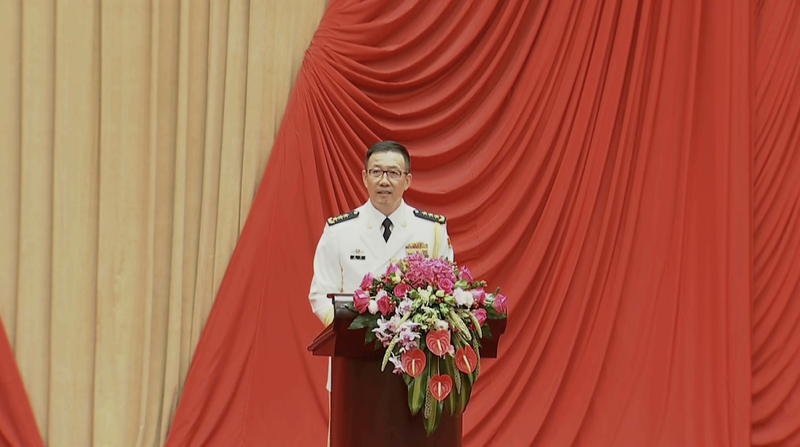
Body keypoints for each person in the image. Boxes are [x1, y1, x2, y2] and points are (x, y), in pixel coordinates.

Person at [308, 140, 454, 327]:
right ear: (365, 177)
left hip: (413, 346)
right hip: (354, 346)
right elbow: (321, 294)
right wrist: (346, 329)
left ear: (407, 180)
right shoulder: (338, 231)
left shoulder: (431, 230)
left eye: (393, 173)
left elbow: (446, 291)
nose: (384, 181)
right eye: (376, 172)